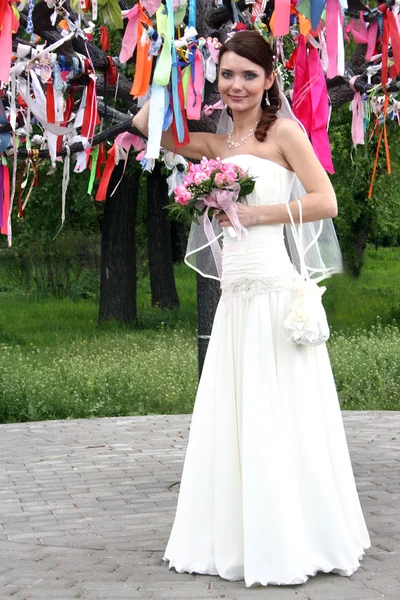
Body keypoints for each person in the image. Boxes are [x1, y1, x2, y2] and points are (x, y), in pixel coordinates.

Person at [132, 30, 370, 588]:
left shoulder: (284, 132)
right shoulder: (218, 146)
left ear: (268, 81)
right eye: (228, 74)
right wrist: (178, 62)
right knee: (240, 414)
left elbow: (325, 200)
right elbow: (146, 124)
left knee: (281, 414)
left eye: (248, 75)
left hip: (272, 290)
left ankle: (294, 538)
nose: (236, 85)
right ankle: (238, 537)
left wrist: (259, 215)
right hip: (235, 300)